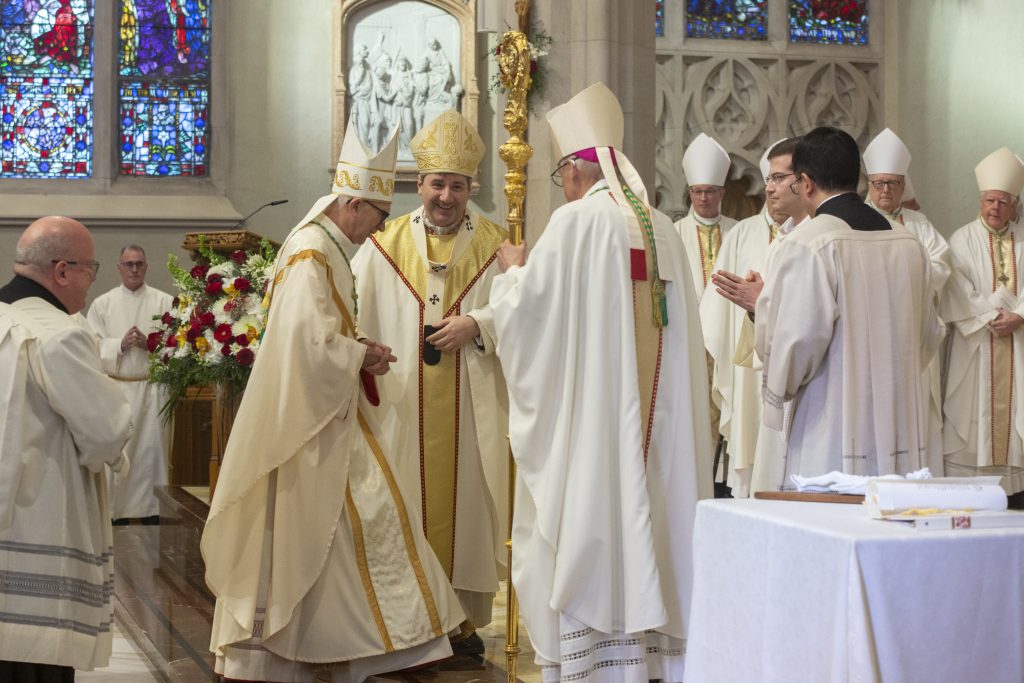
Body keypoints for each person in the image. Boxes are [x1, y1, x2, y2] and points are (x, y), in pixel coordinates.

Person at [201, 124, 464, 682]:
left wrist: (355, 348)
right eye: (375, 213)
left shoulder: (321, 247)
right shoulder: (312, 252)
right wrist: (357, 356)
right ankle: (368, 647)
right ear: (351, 204)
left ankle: (380, 646)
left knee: (360, 524)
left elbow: (316, 334)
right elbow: (305, 342)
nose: (378, 228)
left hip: (325, 412)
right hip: (312, 424)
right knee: (357, 521)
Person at [490, 82, 712, 682]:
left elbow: (528, 325)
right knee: (659, 507)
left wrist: (512, 275)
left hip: (599, 432)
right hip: (660, 428)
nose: (560, 185)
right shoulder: (664, 229)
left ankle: (600, 658)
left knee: (594, 509)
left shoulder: (575, 224)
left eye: (560, 172)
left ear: (575, 170)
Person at [353, 108, 507, 653]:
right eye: (437, 183)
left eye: (458, 185)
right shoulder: (380, 246)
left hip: (471, 408)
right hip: (399, 407)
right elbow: (352, 317)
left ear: (472, 188)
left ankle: (460, 623)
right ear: (418, 183)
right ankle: (406, 621)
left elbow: (528, 314)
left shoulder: (499, 245)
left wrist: (479, 324)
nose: (446, 195)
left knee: (468, 512)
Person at [755, 126, 944, 486]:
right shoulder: (907, 242)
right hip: (899, 429)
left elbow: (797, 343)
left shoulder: (810, 243)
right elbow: (928, 335)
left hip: (831, 429)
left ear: (806, 183)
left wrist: (776, 380)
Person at [0, 216, 132, 680]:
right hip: (39, 526)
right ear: (61, 271)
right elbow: (107, 431)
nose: (90, 285)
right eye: (90, 270)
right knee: (33, 659)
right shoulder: (60, 334)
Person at [710, 139, 809, 494]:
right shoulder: (755, 235)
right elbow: (717, 308)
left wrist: (761, 301)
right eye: (767, 178)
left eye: (778, 178)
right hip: (758, 369)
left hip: (800, 377)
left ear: (804, 181)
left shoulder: (816, 238)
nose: (768, 187)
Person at [862, 127, 952, 475]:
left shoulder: (918, 222)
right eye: (880, 183)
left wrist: (902, 277)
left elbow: (941, 262)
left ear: (904, 186)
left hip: (913, 332)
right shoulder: (854, 219)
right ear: (868, 184)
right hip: (869, 330)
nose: (886, 190)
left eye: (894, 183)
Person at [942, 147, 1024, 504]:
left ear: (1015, 204)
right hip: (977, 349)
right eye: (990, 200)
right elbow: (955, 290)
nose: (995, 208)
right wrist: (992, 315)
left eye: (1003, 202)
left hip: (1018, 344)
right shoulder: (961, 239)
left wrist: (1020, 315)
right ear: (980, 200)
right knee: (973, 419)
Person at [86, 245, 173, 524]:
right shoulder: (102, 304)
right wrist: (119, 345)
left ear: (146, 267)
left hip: (153, 391)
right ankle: (117, 514)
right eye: (129, 264)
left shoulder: (165, 303)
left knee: (152, 454)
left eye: (139, 264)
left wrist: (152, 344)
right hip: (118, 391)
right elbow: (91, 346)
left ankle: (152, 513)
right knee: (120, 453)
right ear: (119, 268)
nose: (134, 269)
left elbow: (179, 346)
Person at [675, 132, 735, 452]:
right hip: (690, 340)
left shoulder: (739, 231)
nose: (703, 198)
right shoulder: (675, 233)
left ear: (721, 192)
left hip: (728, 340)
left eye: (709, 191)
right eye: (697, 191)